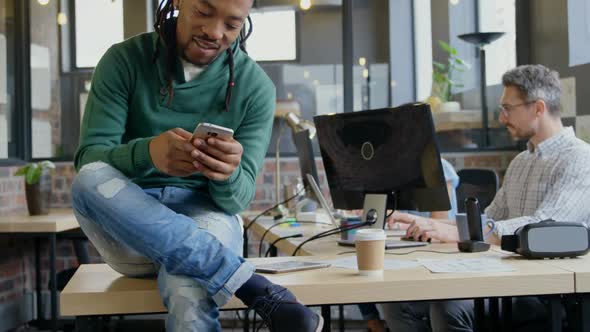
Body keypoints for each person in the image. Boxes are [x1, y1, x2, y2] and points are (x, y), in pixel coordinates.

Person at [71, 1, 323, 331]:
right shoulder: (124, 61)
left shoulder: (255, 88)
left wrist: (227, 174)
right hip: (128, 233)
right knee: (88, 180)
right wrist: (147, 154)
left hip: (207, 217)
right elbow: (89, 158)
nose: (214, 32)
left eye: (232, 25)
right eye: (204, 12)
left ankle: (224, 272)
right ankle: (252, 286)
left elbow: (237, 201)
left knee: (187, 286)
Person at [382, 64, 590, 331]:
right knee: (398, 302)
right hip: (506, 274)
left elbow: (542, 228)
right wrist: (425, 224)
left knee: (449, 308)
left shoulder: (580, 160)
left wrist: (461, 232)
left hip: (544, 289)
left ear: (538, 108)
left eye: (507, 108)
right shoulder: (521, 162)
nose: (502, 118)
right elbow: (488, 219)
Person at [358, 158, 459, 332]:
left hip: (433, 255)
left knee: (391, 299)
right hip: (405, 250)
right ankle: (373, 321)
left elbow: (439, 225)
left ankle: (374, 323)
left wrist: (402, 224)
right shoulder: (387, 169)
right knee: (361, 259)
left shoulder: (438, 167)